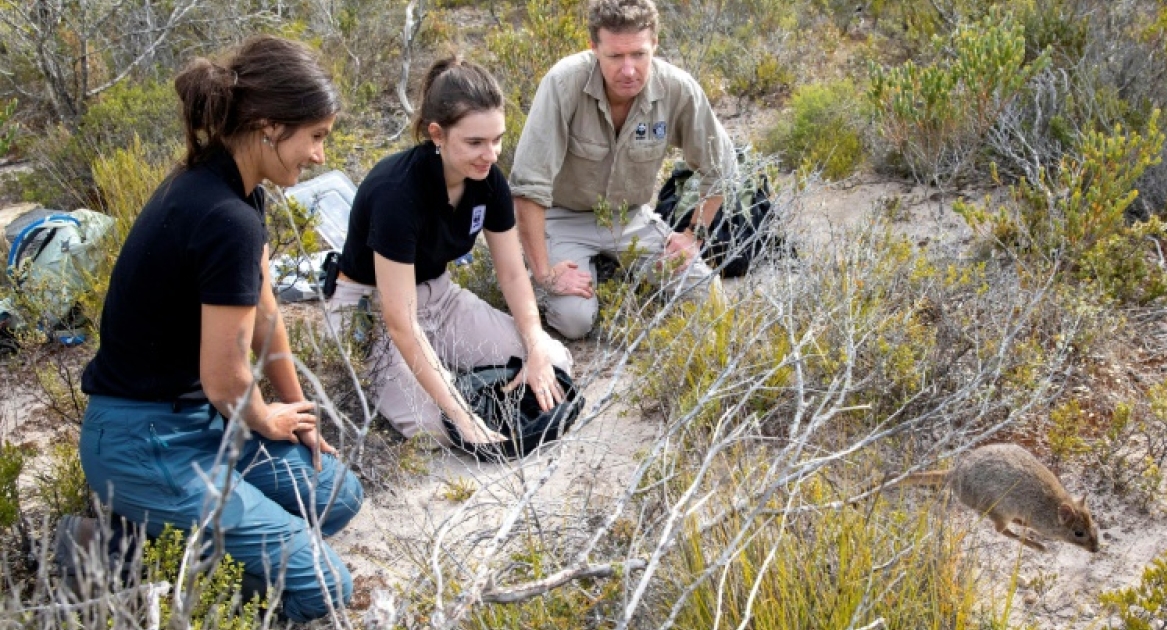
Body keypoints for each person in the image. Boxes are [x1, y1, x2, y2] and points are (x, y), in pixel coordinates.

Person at [75, 36, 362, 622]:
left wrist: (298, 413)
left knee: (337, 494)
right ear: (267, 127)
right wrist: (264, 416)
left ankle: (183, 537)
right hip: (146, 442)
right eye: (316, 136)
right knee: (327, 587)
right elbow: (227, 382)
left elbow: (265, 316)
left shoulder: (236, 190)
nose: (320, 156)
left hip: (201, 426)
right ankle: (120, 553)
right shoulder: (223, 216)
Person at [328, 57, 572, 444]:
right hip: (372, 310)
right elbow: (400, 321)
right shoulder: (396, 193)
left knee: (553, 361)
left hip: (440, 297)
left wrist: (535, 343)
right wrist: (462, 415)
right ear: (437, 134)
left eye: (497, 139)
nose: (490, 155)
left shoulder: (488, 181)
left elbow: (511, 273)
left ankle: (451, 376)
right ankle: (446, 386)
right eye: (475, 142)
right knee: (435, 425)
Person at [509, 0, 738, 340]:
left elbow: (722, 167)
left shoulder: (677, 88)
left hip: (631, 217)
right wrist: (545, 273)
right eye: (615, 57)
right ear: (594, 48)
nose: (629, 70)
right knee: (575, 322)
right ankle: (560, 273)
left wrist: (694, 236)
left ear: (655, 45)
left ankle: (609, 270)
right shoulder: (563, 83)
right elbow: (528, 185)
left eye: (639, 55)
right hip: (563, 216)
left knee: (710, 299)